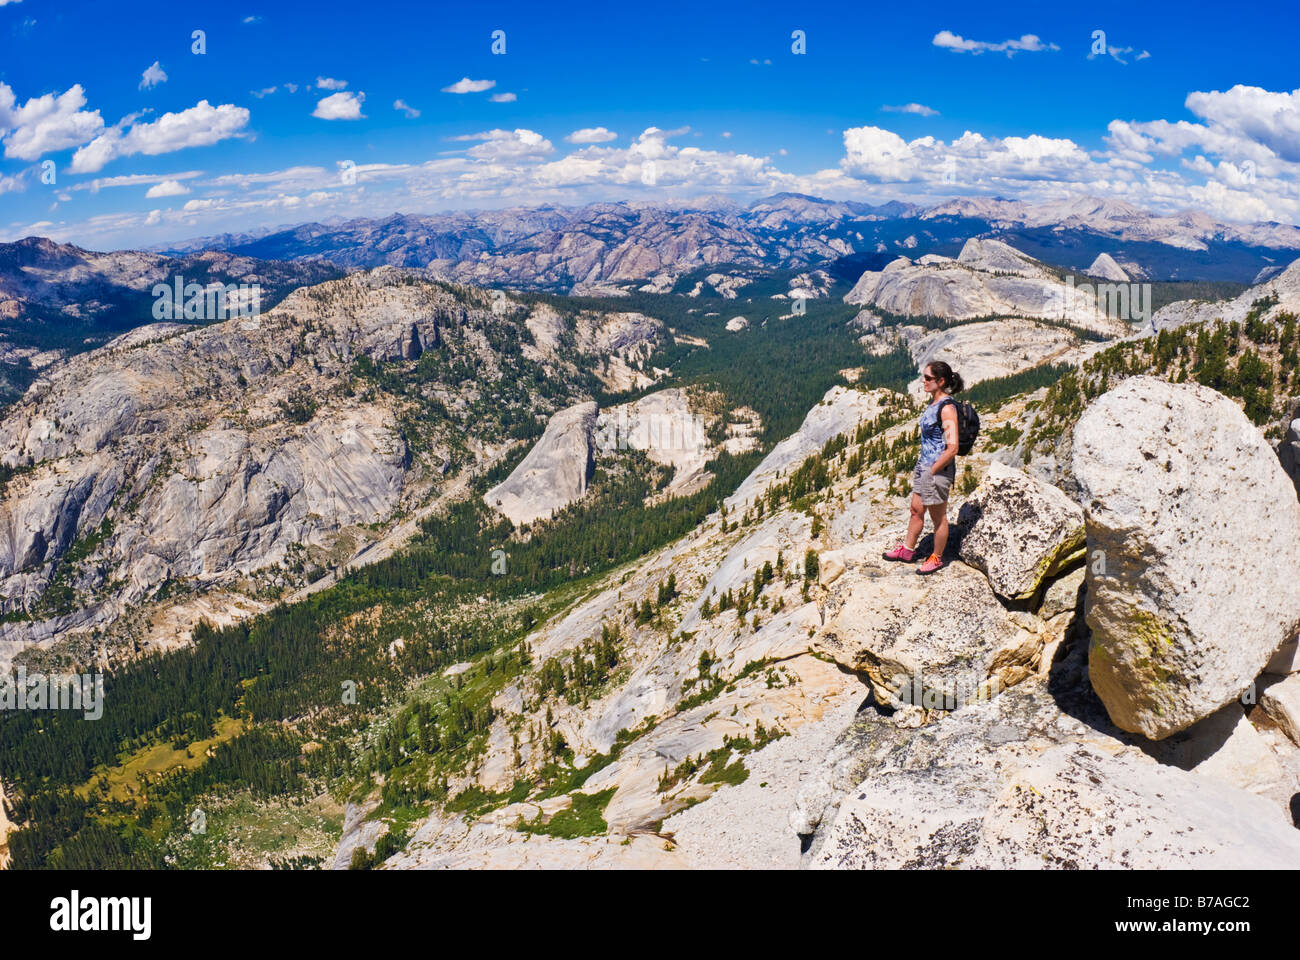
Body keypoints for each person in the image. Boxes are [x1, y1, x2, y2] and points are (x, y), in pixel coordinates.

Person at [882, 361, 964, 574]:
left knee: (938, 518)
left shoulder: (946, 408)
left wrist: (933, 469)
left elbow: (952, 447)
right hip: (925, 466)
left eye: (928, 378)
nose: (924, 381)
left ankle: (936, 558)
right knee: (916, 510)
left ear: (941, 381)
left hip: (937, 470)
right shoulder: (933, 404)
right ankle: (908, 550)